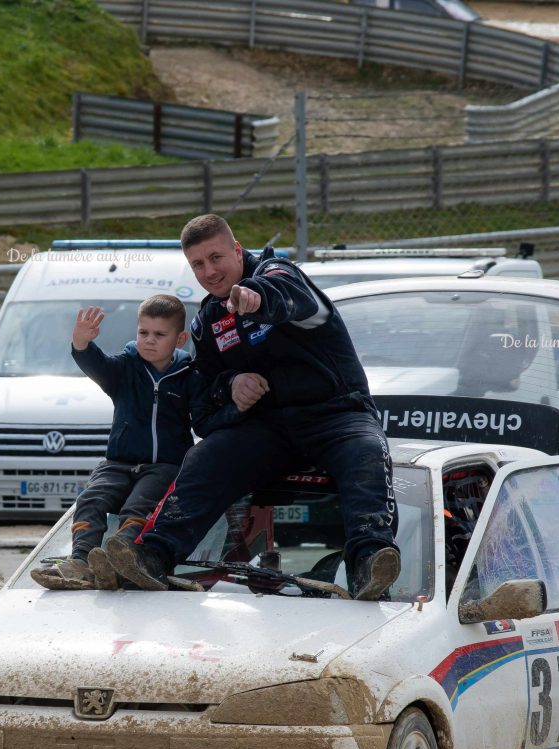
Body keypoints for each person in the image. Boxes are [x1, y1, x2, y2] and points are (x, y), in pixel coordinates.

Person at [96, 213, 400, 600]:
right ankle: (152, 556)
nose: (209, 271)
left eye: (216, 257)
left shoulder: (280, 274)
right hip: (267, 429)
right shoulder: (208, 320)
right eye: (198, 264)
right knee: (207, 455)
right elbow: (203, 386)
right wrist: (230, 384)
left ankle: (370, 563)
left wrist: (257, 297)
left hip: (337, 415)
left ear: (238, 250)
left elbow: (288, 296)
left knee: (367, 451)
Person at [31, 294, 237, 591]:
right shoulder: (124, 369)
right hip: (118, 462)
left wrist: (235, 409)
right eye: (143, 333)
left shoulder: (189, 377)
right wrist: (81, 344)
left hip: (164, 467)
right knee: (90, 498)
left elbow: (204, 421)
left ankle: (123, 557)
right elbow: (96, 364)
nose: (149, 340)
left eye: (159, 334)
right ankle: (81, 561)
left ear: (179, 339)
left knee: (138, 506)